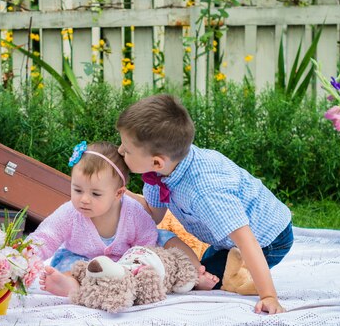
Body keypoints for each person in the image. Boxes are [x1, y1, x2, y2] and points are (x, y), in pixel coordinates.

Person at [116, 94, 293, 314]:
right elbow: (154, 215)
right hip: (226, 241)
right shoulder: (160, 172)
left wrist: (269, 296)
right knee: (197, 268)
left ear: (156, 161)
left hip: (269, 238)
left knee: (201, 279)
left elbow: (247, 240)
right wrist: (121, 194)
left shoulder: (205, 192)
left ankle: (247, 280)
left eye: (126, 149)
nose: (120, 151)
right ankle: (228, 263)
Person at [29, 141, 217, 298]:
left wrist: (140, 263)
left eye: (95, 193)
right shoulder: (70, 213)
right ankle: (71, 286)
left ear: (118, 193)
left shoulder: (132, 212)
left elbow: (147, 241)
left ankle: (194, 272)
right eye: (77, 190)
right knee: (72, 268)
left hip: (128, 260)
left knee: (165, 237)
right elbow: (46, 237)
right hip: (84, 260)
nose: (84, 199)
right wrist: (24, 259)